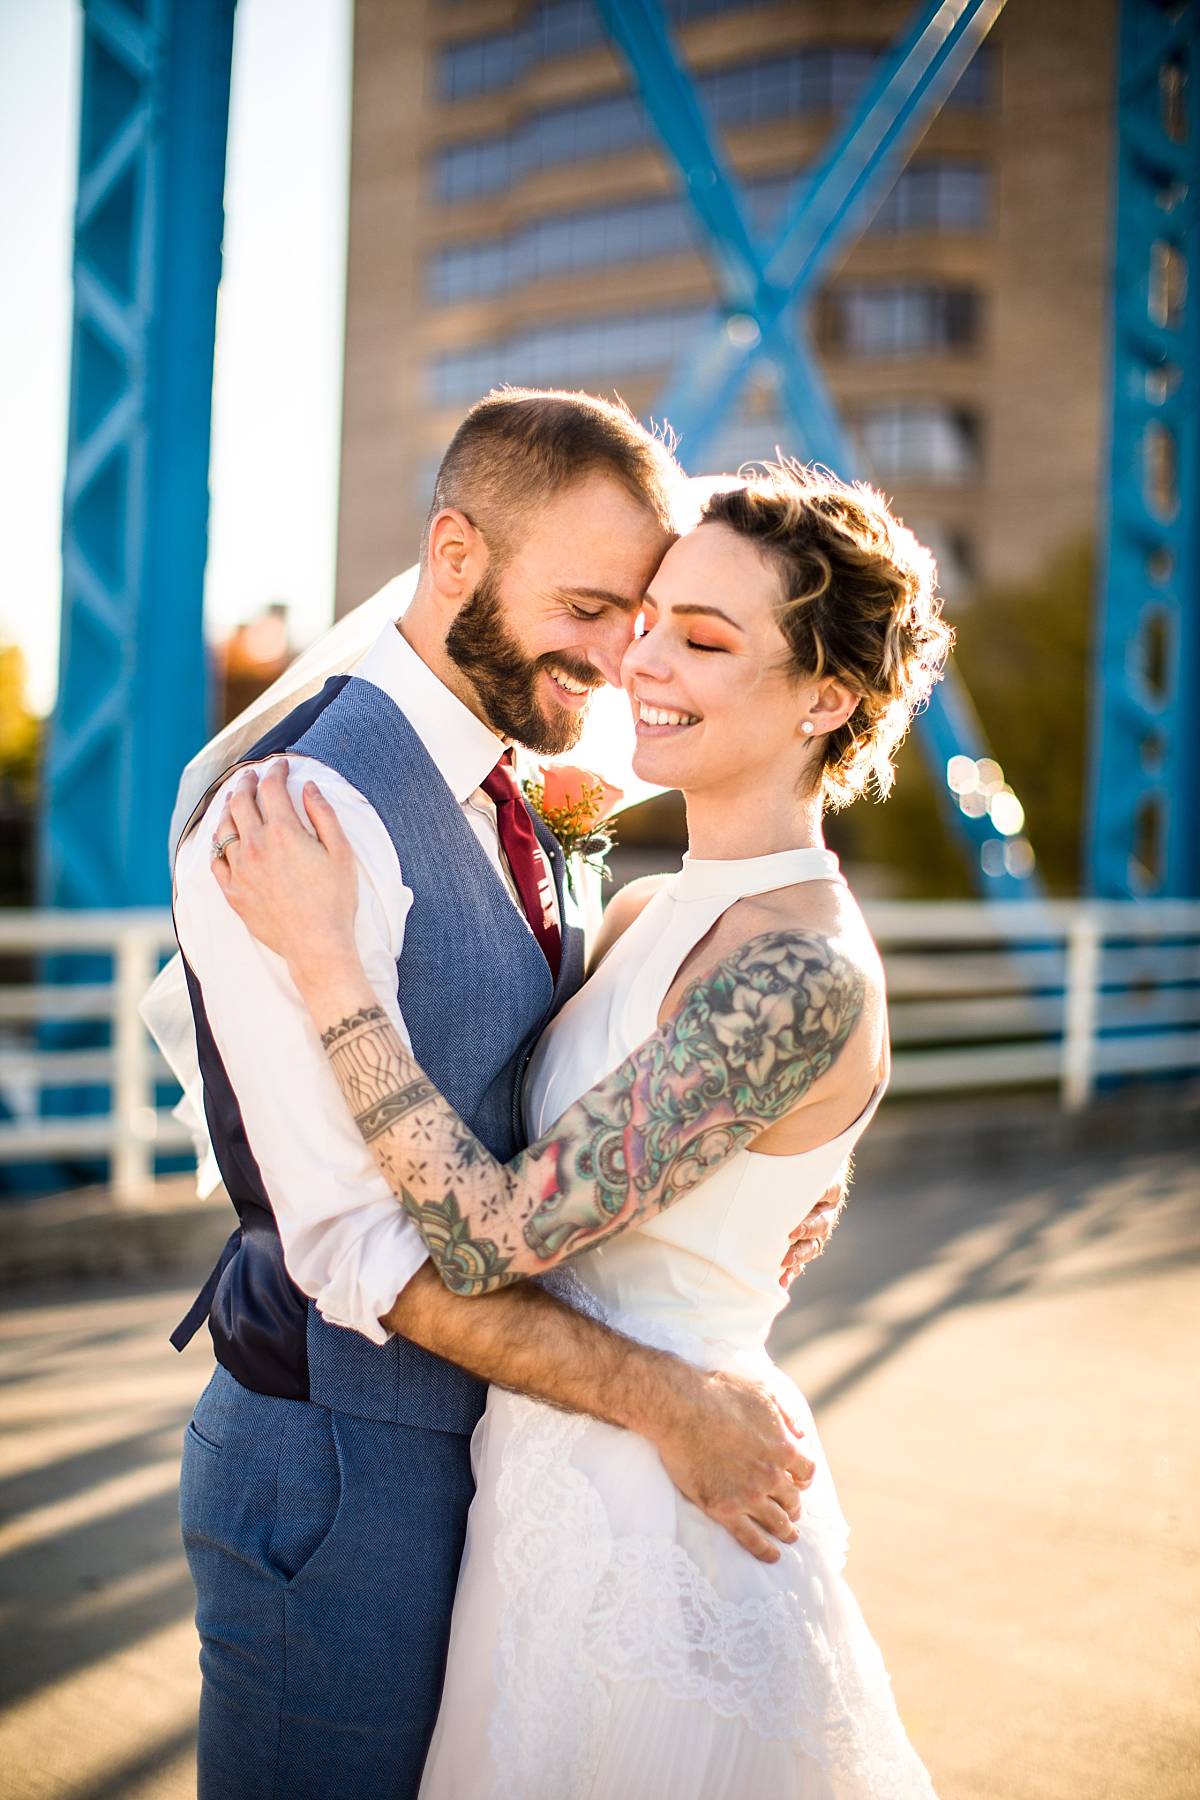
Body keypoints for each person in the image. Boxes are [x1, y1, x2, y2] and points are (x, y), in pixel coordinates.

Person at [208, 461, 951, 1797]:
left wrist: (326, 960)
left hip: (665, 1520)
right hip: (541, 1487)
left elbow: (491, 1239)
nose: (642, 659)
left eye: (704, 639)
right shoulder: (643, 912)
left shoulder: (797, 972)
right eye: (651, 616)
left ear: (829, 698)